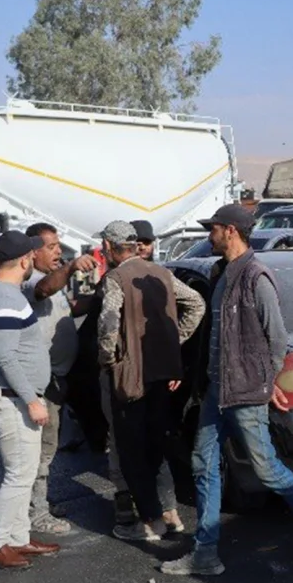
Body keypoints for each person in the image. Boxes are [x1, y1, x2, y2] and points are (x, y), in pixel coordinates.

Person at [162, 204, 293, 577]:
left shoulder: (255, 277)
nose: (209, 236)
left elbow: (276, 338)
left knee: (267, 470)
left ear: (230, 231)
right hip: (217, 391)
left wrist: (268, 382)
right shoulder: (222, 273)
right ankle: (205, 554)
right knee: (204, 463)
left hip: (245, 393)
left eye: (213, 229)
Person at [96, 220, 203, 543]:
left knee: (132, 450)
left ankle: (151, 521)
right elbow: (196, 303)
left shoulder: (116, 278)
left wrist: (108, 359)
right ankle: (169, 515)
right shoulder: (161, 273)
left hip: (130, 378)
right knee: (156, 444)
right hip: (162, 374)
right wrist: (173, 342)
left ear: (110, 247)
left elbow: (108, 325)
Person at [0, 230, 61, 570]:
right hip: (10, 399)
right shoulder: (3, 298)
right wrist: (32, 400)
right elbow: (5, 358)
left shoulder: (5, 293)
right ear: (26, 260)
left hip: (14, 397)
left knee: (24, 473)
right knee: (18, 475)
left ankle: (18, 537)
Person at [131, 217, 207, 535]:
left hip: (155, 373)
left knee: (152, 441)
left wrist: (173, 345)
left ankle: (165, 511)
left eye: (146, 243)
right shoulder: (119, 277)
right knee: (135, 443)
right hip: (132, 373)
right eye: (136, 243)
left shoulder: (161, 276)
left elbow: (196, 304)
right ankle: (144, 510)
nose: (141, 248)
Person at [22, 223, 98, 535]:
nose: (58, 252)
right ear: (32, 252)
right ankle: (35, 513)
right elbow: (44, 290)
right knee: (40, 451)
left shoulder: (52, 279)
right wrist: (70, 267)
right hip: (43, 382)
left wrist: (103, 293)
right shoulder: (29, 281)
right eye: (51, 247)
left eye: (58, 246)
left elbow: (70, 307)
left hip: (58, 378)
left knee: (48, 448)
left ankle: (38, 503)